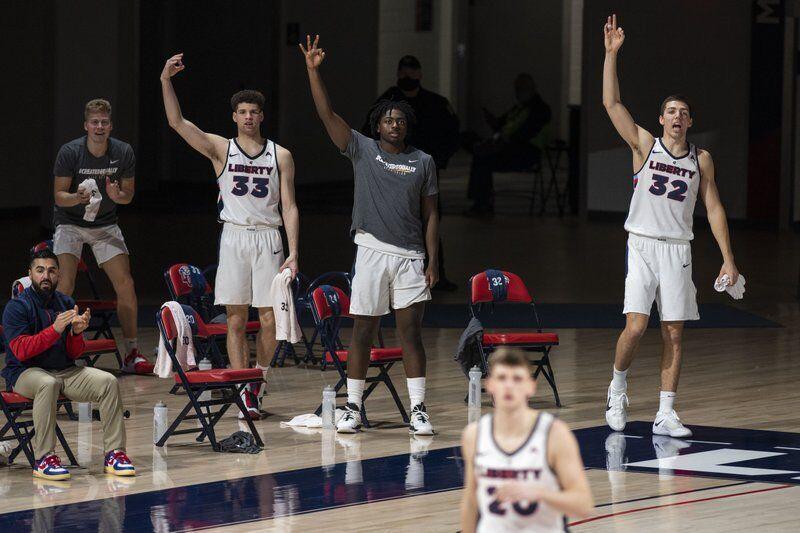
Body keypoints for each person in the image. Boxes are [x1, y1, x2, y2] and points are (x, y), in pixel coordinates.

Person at [602, 14, 740, 437]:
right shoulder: (645, 144)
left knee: (675, 333)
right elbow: (612, 105)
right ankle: (617, 387)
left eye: (683, 112)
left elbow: (714, 209)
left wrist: (728, 261)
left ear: (690, 122)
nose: (677, 116)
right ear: (661, 120)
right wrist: (611, 55)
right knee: (637, 325)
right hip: (642, 243)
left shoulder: (701, 160)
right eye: (670, 111)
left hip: (679, 249)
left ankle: (665, 413)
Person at [300, 35, 439, 435]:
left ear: (407, 125)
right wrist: (313, 71)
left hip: (411, 256)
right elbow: (327, 114)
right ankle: (353, 406)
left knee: (411, 333)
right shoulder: (362, 149)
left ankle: (417, 409)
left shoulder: (423, 161)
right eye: (387, 120)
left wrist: (433, 260)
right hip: (372, 251)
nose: (394, 125)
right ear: (377, 125)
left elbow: (432, 215)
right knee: (363, 330)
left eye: (400, 120)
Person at [160, 53, 300, 420]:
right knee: (236, 319)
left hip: (269, 238)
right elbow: (176, 122)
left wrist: (295, 252)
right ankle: (242, 387)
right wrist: (165, 80)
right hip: (235, 237)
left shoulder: (281, 155)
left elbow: (290, 207)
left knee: (269, 320)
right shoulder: (221, 148)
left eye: (254, 112)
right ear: (234, 117)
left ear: (262, 116)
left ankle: (259, 381)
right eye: (243, 113)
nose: (249, 117)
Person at [2, 249, 135, 480]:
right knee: (47, 383)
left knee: (108, 381)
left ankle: (115, 453)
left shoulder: (66, 302)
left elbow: (74, 353)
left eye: (52, 271)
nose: (46, 276)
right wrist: (54, 330)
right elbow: (21, 351)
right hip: (26, 373)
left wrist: (75, 333)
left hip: (64, 370)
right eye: (40, 270)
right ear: (30, 274)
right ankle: (43, 458)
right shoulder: (17, 307)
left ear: (59, 275)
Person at [52, 99, 152, 375]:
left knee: (125, 282)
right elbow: (59, 196)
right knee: (66, 283)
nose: (99, 127)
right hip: (71, 222)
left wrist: (118, 196)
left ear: (110, 126)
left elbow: (128, 195)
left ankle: (132, 351)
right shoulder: (71, 152)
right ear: (86, 126)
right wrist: (77, 197)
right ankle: (56, 347)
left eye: (104, 122)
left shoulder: (123, 152)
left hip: (105, 223)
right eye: (94, 122)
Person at [460, 348, 594, 531]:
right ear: (490, 385)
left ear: (531, 386)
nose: (508, 386)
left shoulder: (554, 434)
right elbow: (470, 501)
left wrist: (539, 493)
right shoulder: (474, 435)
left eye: (517, 379)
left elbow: (584, 504)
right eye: (501, 378)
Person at [363, 55, 460, 291]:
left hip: (425, 171)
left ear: (420, 74)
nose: (407, 77)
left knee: (430, 217)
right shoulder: (386, 101)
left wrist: (439, 162)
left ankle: (436, 271)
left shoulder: (436, 103)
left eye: (412, 72)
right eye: (403, 72)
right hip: (393, 172)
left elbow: (452, 134)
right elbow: (368, 132)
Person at [466, 73, 552, 215]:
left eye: (521, 89)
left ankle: (482, 203)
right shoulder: (519, 108)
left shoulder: (540, 110)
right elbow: (502, 124)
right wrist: (492, 122)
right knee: (479, 151)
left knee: (483, 158)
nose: (518, 93)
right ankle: (482, 201)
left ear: (532, 89)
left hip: (526, 154)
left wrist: (501, 142)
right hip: (511, 148)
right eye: (517, 90)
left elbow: (524, 135)